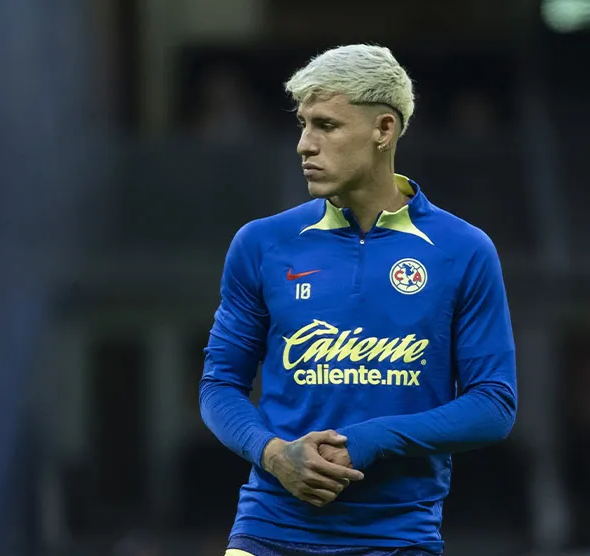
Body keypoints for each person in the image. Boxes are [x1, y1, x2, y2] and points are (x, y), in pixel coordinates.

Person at [199, 44, 518, 556]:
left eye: (325, 125)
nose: (304, 145)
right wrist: (274, 454)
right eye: (303, 125)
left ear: (383, 130)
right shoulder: (260, 244)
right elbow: (218, 387)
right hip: (270, 531)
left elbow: (494, 406)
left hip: (396, 538)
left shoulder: (464, 251)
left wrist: (373, 439)